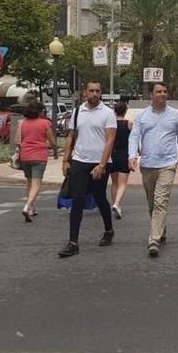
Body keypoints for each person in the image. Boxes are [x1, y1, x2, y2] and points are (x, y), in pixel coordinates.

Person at [128, 83, 178, 257]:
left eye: (164, 91)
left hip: (168, 164)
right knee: (152, 203)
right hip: (147, 165)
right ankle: (161, 230)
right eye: (159, 92)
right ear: (151, 95)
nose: (162, 94)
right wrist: (132, 156)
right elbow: (134, 137)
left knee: (160, 201)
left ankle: (154, 239)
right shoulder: (142, 116)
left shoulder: (175, 116)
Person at [58, 81, 117, 258]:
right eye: (91, 90)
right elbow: (71, 136)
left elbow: (110, 140)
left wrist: (101, 164)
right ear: (85, 92)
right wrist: (65, 159)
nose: (94, 93)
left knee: (100, 198)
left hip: (100, 162)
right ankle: (73, 242)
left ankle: (108, 230)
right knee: (78, 199)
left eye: (97, 91)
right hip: (79, 161)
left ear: (101, 93)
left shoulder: (108, 113)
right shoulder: (77, 112)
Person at [16, 100, 58, 222]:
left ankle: (32, 208)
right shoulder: (45, 123)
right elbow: (52, 141)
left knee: (29, 182)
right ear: (40, 111)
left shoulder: (22, 123)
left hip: (25, 156)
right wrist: (55, 152)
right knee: (36, 183)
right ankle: (27, 206)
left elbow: (18, 140)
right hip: (39, 156)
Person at [110, 102, 132, 219]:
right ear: (125, 111)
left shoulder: (111, 124)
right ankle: (117, 204)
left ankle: (115, 203)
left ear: (114, 111)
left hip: (112, 156)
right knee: (122, 183)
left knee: (114, 183)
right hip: (124, 156)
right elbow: (133, 140)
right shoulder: (129, 124)